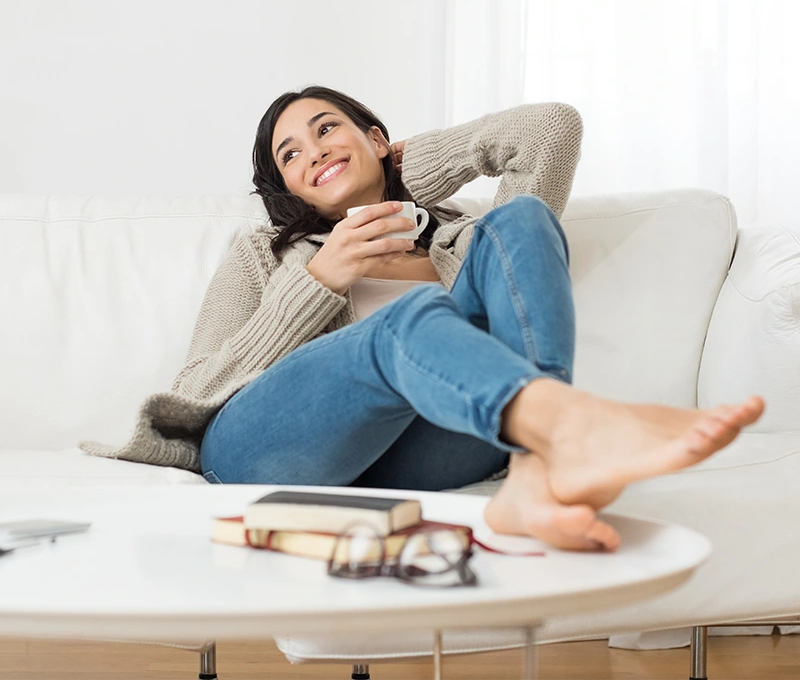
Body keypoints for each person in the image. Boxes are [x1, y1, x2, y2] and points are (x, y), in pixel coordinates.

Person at [82, 86, 764, 552]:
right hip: (268, 448)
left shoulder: (462, 240)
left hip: (417, 453)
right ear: (286, 188)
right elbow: (201, 382)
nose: (314, 150)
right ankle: (570, 433)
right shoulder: (265, 254)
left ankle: (536, 466)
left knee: (522, 217)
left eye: (328, 130)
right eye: (291, 153)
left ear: (376, 138)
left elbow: (550, 128)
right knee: (407, 321)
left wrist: (413, 169)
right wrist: (321, 280)